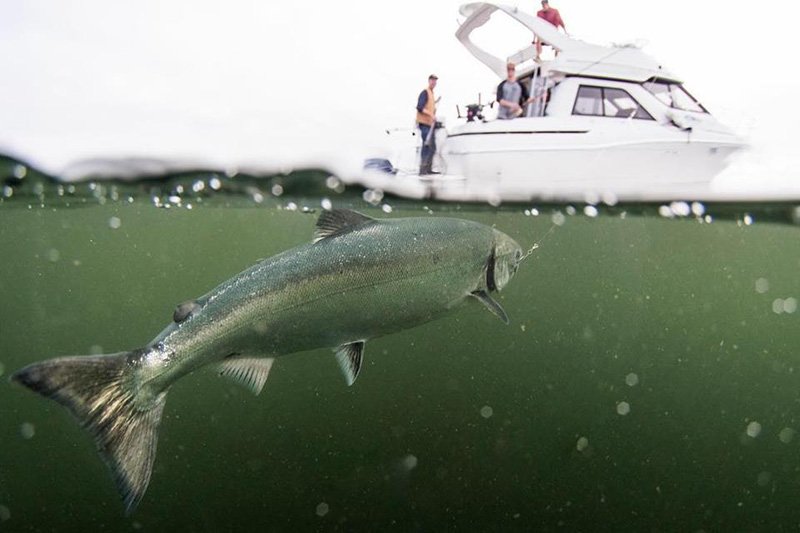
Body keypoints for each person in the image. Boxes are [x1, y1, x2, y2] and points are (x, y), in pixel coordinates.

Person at [415, 74, 438, 175]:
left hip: (429, 124)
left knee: (432, 146)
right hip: (424, 123)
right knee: (427, 145)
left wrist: (433, 113)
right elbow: (420, 107)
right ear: (429, 81)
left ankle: (428, 169)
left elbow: (431, 108)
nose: (434, 82)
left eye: (435, 81)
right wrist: (431, 115)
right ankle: (423, 169)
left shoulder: (432, 94)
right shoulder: (425, 92)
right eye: (432, 80)